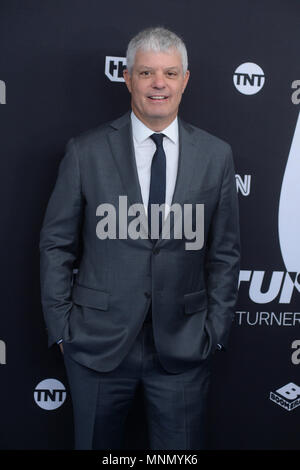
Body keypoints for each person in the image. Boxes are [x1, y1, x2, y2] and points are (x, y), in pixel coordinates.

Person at [39, 26, 240, 450]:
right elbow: (57, 245)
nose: (158, 84)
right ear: (127, 77)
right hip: (95, 344)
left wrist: (214, 329)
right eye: (146, 72)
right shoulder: (85, 151)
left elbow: (224, 253)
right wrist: (62, 328)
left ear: (186, 79)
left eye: (169, 73)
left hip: (184, 345)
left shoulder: (216, 154)